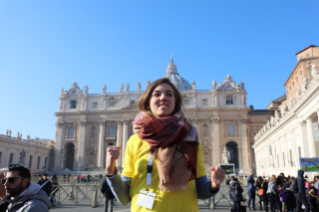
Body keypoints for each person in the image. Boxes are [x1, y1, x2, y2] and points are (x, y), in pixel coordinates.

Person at [105, 78, 225, 212]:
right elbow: (124, 198)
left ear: (176, 102)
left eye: (169, 94)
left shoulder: (190, 138)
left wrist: (214, 185)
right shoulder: (134, 141)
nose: (163, 98)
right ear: (148, 102)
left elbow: (201, 191)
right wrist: (110, 171)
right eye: (157, 94)